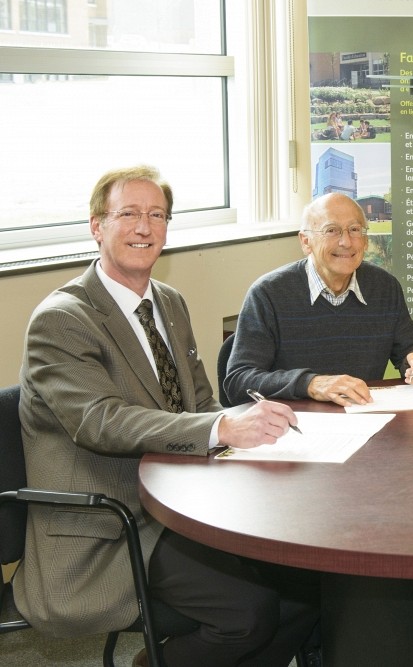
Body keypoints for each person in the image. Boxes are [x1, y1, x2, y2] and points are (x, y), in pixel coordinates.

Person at [15, 165, 319, 666]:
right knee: (248, 614)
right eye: (129, 214)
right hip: (114, 522)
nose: (144, 227)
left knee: (309, 593)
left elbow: (199, 404)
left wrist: (255, 430)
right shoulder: (63, 319)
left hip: (181, 501)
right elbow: (101, 421)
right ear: (97, 226)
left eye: (157, 215)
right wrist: (222, 427)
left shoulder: (169, 304)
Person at [225, 193, 413, 407]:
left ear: (365, 240)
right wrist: (310, 383)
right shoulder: (269, 294)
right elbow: (238, 381)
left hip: (366, 416)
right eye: (331, 230)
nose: (346, 242)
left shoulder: (384, 287)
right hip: (294, 421)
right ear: (306, 241)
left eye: (354, 230)